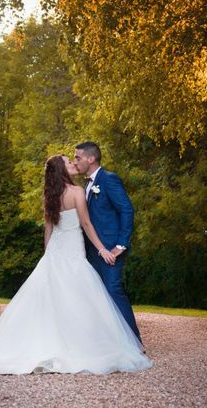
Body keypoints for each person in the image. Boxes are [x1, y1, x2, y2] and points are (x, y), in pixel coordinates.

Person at [0, 155, 151, 375]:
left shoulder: (50, 195)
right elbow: (86, 223)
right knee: (78, 294)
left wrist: (47, 254)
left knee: (53, 295)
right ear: (62, 170)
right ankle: (79, 343)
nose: (73, 164)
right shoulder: (77, 192)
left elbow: (48, 229)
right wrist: (101, 249)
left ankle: (51, 340)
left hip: (56, 249)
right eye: (69, 162)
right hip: (73, 248)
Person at [73, 141, 142, 342]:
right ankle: (106, 341)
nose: (76, 161)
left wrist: (121, 244)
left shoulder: (109, 179)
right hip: (91, 250)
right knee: (96, 294)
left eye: (78, 157)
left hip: (110, 249)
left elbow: (127, 209)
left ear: (91, 158)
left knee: (113, 289)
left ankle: (134, 341)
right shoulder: (87, 184)